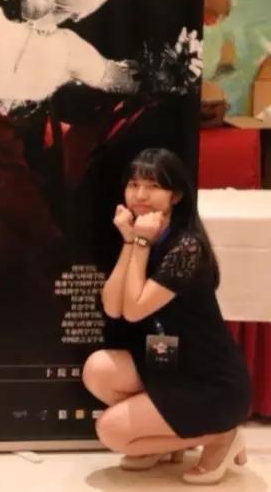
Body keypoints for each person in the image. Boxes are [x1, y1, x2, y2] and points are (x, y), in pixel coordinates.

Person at [82, 148, 251, 485]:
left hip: (209, 381)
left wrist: (141, 242)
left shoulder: (187, 247)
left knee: (111, 431)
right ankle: (167, 438)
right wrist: (131, 242)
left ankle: (222, 435)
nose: (140, 195)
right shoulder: (141, 234)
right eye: (134, 185)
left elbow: (134, 309)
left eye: (153, 186)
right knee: (98, 370)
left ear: (176, 196)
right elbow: (113, 307)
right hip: (169, 364)